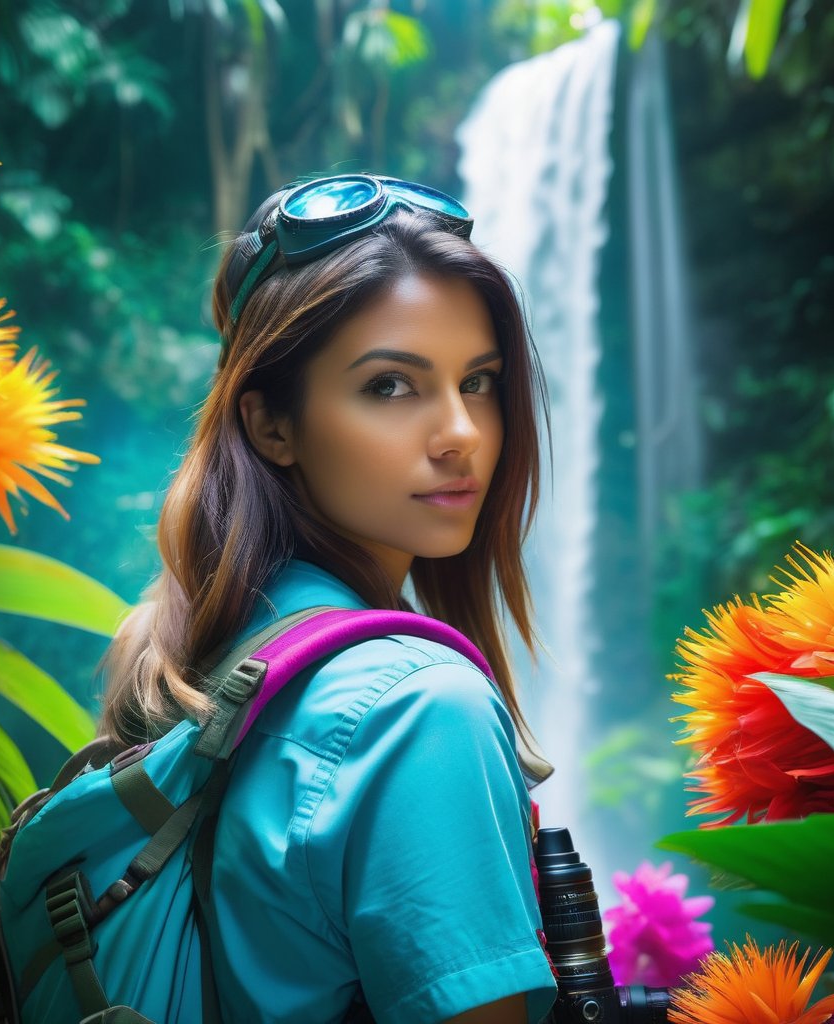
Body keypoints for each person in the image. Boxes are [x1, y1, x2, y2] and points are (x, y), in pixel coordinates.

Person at [100, 175, 558, 1023]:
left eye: (481, 381)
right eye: (391, 385)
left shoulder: (183, 647)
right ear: (272, 424)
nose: (461, 432)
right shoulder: (419, 710)